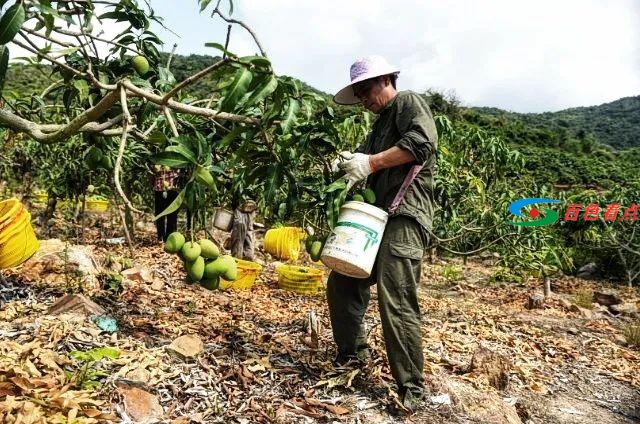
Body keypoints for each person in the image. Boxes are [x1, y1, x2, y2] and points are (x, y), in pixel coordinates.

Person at [327, 55, 438, 412]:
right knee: (342, 282)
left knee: (396, 296)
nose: (364, 100)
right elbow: (363, 160)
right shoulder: (377, 128)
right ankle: (354, 353)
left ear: (387, 80)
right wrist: (346, 162)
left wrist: (371, 162)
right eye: (358, 95)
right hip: (377, 217)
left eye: (366, 90)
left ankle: (412, 388)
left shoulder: (408, 102)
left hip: (405, 216)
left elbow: (421, 144)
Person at [153, 165, 180, 242]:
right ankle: (161, 237)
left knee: (172, 214)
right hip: (159, 187)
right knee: (159, 214)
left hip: (172, 187)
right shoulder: (157, 156)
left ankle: (170, 237)